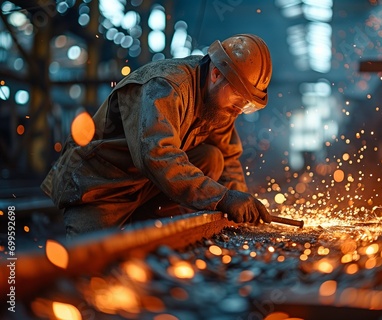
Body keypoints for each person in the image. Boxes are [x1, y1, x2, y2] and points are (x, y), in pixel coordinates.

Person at [41, 34, 273, 238]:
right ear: (215, 74)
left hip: (146, 185)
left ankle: (148, 221)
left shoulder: (221, 105)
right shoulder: (165, 85)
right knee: (91, 263)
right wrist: (222, 198)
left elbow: (228, 156)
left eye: (247, 105)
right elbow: (158, 156)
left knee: (212, 157)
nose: (239, 109)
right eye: (239, 98)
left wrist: (239, 202)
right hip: (101, 186)